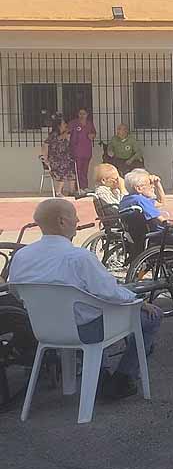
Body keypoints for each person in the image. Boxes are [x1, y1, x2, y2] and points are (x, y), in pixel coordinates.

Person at [9, 198, 162, 400]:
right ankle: (123, 377)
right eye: (74, 216)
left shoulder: (22, 256)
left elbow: (16, 291)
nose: (78, 220)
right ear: (62, 221)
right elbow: (111, 293)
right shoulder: (79, 257)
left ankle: (101, 374)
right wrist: (139, 302)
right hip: (86, 330)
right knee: (150, 316)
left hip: (44, 329)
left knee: (93, 310)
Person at [41, 117, 77, 196]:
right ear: (59, 126)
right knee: (63, 167)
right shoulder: (53, 135)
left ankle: (72, 191)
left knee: (71, 167)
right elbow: (46, 145)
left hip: (65, 159)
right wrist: (45, 158)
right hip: (55, 160)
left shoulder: (66, 135)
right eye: (64, 124)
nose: (66, 125)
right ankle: (58, 192)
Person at [68, 108, 96, 188]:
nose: (82, 115)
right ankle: (78, 188)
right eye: (80, 113)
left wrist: (92, 136)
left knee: (85, 171)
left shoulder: (89, 123)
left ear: (87, 115)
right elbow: (67, 133)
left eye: (84, 114)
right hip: (76, 151)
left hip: (87, 151)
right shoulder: (73, 123)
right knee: (77, 171)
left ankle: (84, 187)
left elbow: (93, 133)